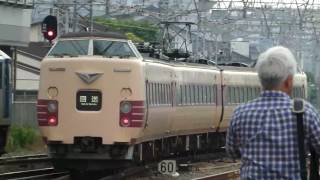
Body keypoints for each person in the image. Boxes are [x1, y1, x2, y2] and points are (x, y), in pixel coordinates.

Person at [226, 46, 320, 179]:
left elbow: (232, 152)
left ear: (261, 80)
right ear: (288, 81)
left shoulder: (240, 113)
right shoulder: (305, 112)